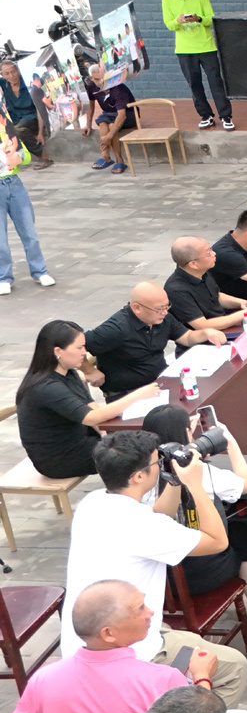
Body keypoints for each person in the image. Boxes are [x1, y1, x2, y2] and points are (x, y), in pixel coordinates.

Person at [62, 431, 247, 703]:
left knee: (182, 638)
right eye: (156, 463)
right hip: (132, 653)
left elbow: (158, 516)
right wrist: (195, 485)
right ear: (138, 476)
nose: (159, 466)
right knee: (233, 667)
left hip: (88, 643)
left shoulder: (92, 503)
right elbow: (217, 542)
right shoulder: (142, 526)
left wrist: (173, 479)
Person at [0, 581, 221, 713]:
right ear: (108, 634)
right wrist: (202, 676)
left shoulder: (44, 679)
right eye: (140, 609)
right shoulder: (161, 679)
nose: (150, 612)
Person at [142, 406, 247, 636]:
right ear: (184, 434)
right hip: (210, 575)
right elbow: (245, 484)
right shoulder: (201, 473)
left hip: (163, 581)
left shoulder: (140, 479)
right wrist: (229, 442)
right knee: (243, 533)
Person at [14, 320, 158, 479]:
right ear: (58, 351)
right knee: (140, 452)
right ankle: (133, 490)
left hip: (80, 440)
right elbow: (91, 417)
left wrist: (109, 435)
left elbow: (91, 406)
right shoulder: (46, 387)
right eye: (79, 348)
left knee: (143, 441)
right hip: (59, 457)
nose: (84, 352)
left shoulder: (69, 372)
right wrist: (137, 395)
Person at [84, 283, 224, 399]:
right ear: (137, 308)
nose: (164, 312)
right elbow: (74, 345)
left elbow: (186, 337)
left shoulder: (163, 318)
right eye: (159, 309)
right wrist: (89, 371)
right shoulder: (115, 329)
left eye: (167, 306)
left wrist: (205, 333)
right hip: (127, 394)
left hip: (160, 383)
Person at [160, 0, 233, 131]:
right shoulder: (166, 0)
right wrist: (177, 21)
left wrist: (198, 18)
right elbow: (168, 24)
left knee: (215, 81)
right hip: (184, 49)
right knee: (194, 83)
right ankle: (206, 115)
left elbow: (211, 19)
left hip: (206, 46)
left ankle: (225, 116)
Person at [165, 237, 247, 345]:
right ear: (193, 264)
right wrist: (246, 314)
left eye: (211, 249)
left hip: (224, 328)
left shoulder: (202, 272)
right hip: (207, 342)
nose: (214, 254)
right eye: (208, 253)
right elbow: (202, 325)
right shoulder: (177, 290)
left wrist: (242, 302)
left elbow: (216, 295)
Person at [0, 128, 53, 294]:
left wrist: (16, 156)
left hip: (14, 183)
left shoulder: (7, 130)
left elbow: (27, 157)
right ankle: (4, 277)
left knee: (29, 231)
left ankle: (40, 271)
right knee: (1, 239)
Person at [84, 74, 138, 173]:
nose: (100, 81)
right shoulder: (91, 87)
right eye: (96, 79)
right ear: (91, 78)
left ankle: (119, 160)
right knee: (103, 122)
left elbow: (122, 115)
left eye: (101, 78)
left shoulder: (118, 88)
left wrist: (109, 136)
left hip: (128, 114)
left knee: (112, 125)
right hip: (109, 114)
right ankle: (105, 155)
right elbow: (91, 106)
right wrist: (88, 125)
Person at [2, 59, 49, 165]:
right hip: (16, 118)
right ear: (2, 75)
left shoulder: (28, 84)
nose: (11, 76)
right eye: (7, 73)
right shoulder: (4, 83)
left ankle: (43, 156)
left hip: (32, 118)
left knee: (17, 130)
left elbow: (40, 109)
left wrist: (40, 132)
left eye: (13, 71)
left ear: (18, 70)